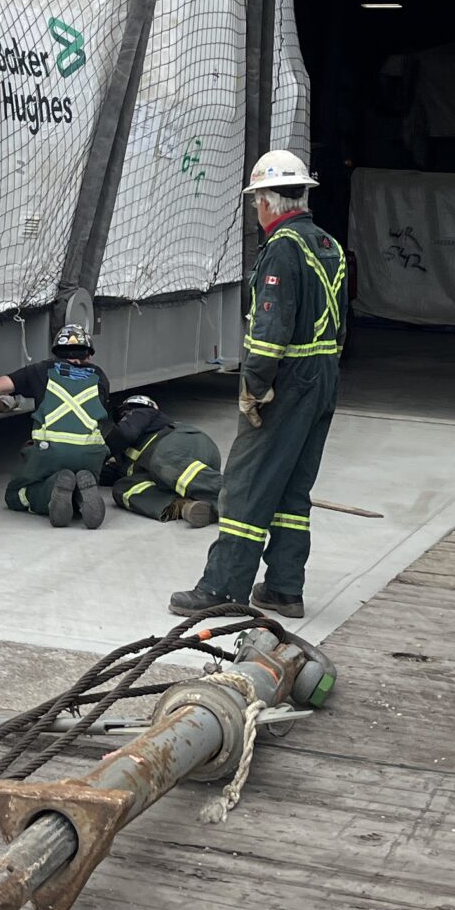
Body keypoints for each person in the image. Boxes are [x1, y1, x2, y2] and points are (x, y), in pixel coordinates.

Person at [170, 150, 348, 619]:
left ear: (268, 201)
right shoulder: (329, 246)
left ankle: (223, 588)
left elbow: (269, 332)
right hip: (323, 375)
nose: (256, 211)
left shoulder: (283, 248)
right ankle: (284, 589)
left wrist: (254, 387)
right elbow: (339, 326)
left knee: (246, 485)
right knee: (291, 487)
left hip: (287, 380)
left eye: (256, 203)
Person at [0, 323, 114, 528]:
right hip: (91, 452)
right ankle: (79, 496)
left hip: (51, 450)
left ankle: (54, 490)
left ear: (56, 352)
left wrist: (0, 407)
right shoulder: (100, 377)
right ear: (89, 356)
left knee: (15, 495)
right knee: (81, 475)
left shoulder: (41, 370)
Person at [104, 393, 222, 527]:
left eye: (125, 413)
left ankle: (234, 497)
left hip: (189, 444)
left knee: (162, 460)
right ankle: (186, 505)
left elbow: (125, 433)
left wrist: (101, 451)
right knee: (122, 488)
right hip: (168, 473)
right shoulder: (123, 455)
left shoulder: (145, 413)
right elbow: (105, 474)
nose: (123, 418)